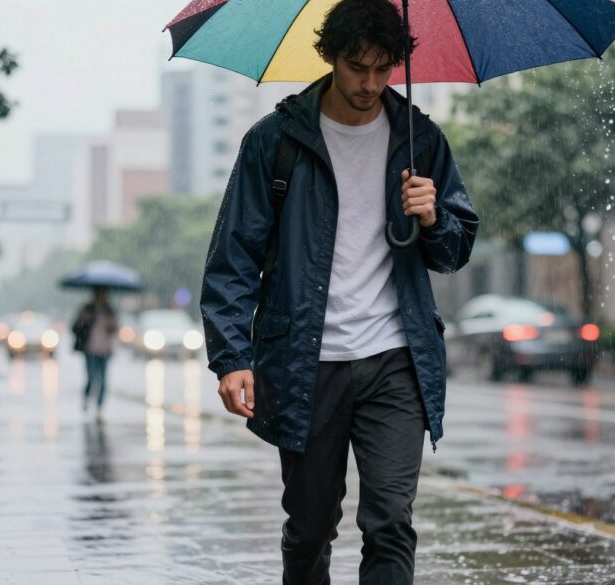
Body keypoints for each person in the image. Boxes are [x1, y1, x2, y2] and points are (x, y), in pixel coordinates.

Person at [199, 1, 479, 582]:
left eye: (383, 69)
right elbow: (232, 260)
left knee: (390, 522)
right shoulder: (274, 141)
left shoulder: (420, 139)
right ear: (329, 57)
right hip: (305, 363)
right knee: (309, 528)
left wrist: (434, 218)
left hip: (395, 360)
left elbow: (452, 253)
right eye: (357, 67)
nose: (370, 84)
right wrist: (231, 358)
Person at [72, 288, 118, 416]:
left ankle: (99, 407)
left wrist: (111, 323)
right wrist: (86, 319)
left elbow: (115, 328)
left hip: (105, 350)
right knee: (91, 377)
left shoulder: (110, 310)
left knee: (103, 380)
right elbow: (76, 326)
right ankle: (87, 398)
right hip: (90, 349)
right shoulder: (88, 309)